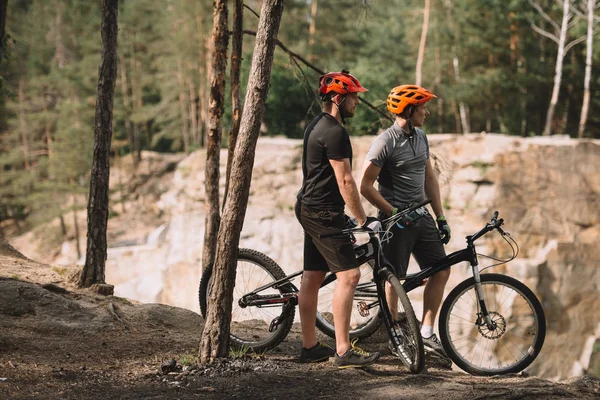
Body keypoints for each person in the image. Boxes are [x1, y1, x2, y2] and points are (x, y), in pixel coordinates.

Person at [295, 70, 380, 368]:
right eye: (354, 97)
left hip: (308, 206)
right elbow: (345, 180)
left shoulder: (315, 125)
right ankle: (343, 350)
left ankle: (309, 347)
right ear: (337, 98)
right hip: (324, 213)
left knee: (313, 276)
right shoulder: (334, 132)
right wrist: (362, 219)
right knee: (350, 276)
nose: (357, 102)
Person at [360, 84, 451, 358]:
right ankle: (395, 332)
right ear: (409, 111)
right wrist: (393, 211)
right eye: (422, 107)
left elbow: (429, 178)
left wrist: (441, 216)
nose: (427, 112)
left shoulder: (421, 137)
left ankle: (426, 332)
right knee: (394, 279)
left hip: (421, 217)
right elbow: (365, 185)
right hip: (395, 222)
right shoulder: (384, 142)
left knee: (441, 270)